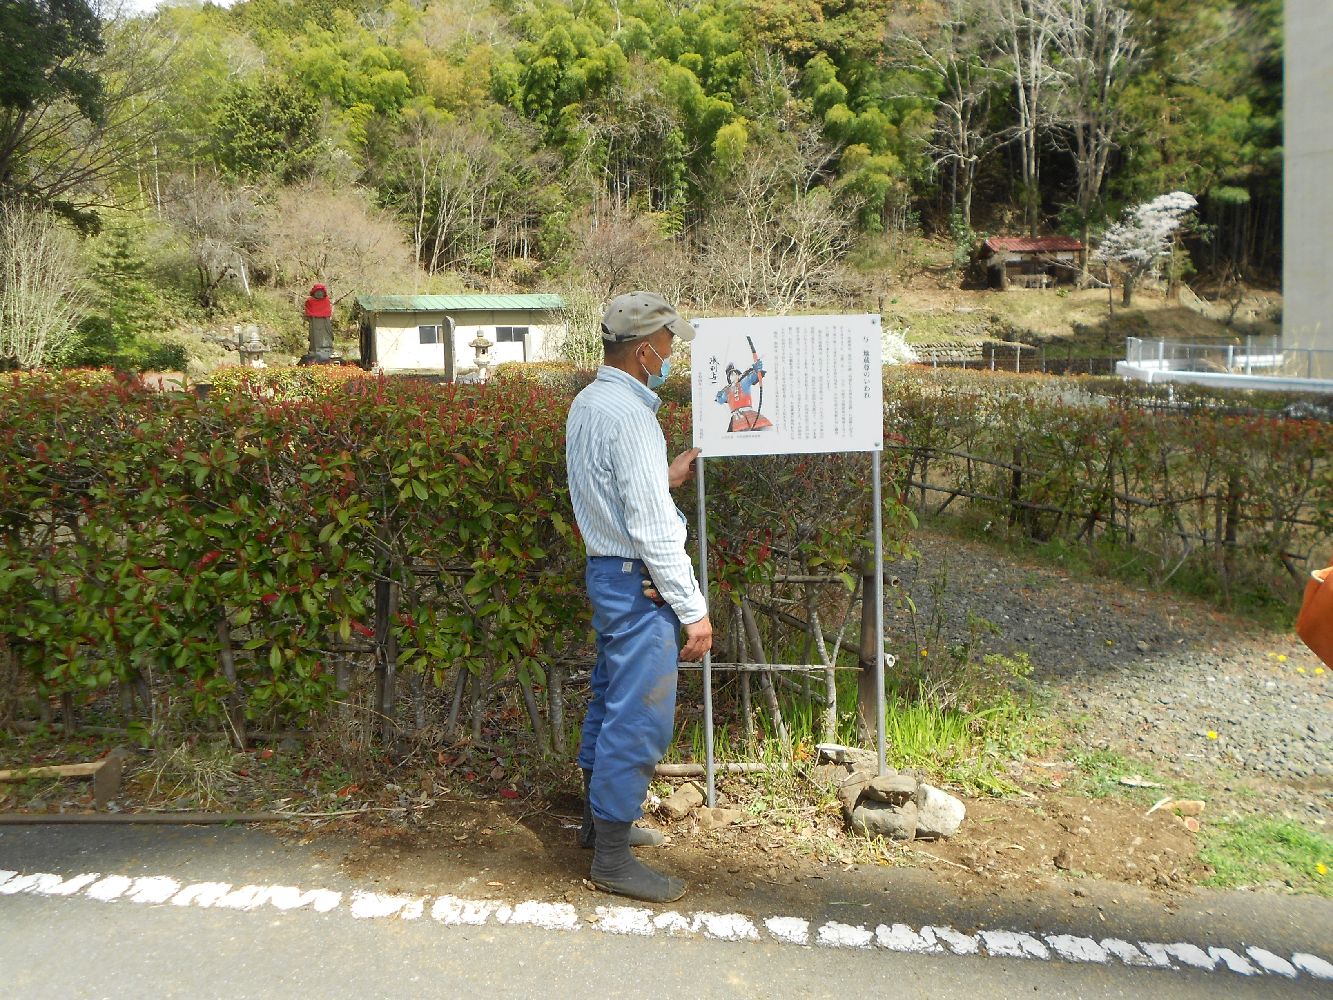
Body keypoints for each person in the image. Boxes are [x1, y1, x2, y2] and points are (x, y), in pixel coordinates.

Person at [565, 290, 713, 903]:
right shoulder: (631, 416)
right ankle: (611, 859)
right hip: (636, 580)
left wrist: (663, 476)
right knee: (639, 717)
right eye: (669, 345)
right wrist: (694, 610)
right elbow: (652, 528)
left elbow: (611, 491)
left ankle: (598, 828)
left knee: (610, 699)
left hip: (609, 572)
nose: (672, 356)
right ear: (646, 349)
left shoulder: (589, 402)